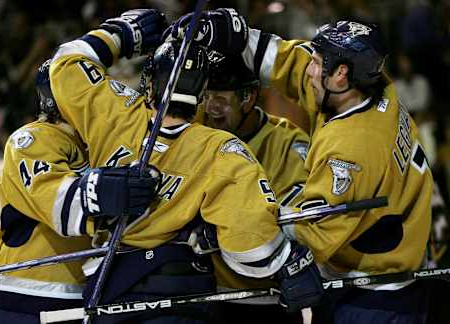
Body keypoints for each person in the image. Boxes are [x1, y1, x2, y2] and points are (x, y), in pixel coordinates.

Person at [48, 8, 323, 324]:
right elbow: (253, 244)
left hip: (111, 285)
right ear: (202, 92)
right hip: (183, 293)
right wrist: (287, 261)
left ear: (149, 85)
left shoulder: (114, 112)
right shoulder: (222, 149)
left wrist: (123, 34)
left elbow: (66, 63)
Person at [168, 10, 434, 323]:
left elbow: (314, 236)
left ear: (341, 74)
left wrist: (233, 224)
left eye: (318, 62)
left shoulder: (353, 148)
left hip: (373, 295)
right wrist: (232, 35)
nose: (309, 69)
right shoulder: (367, 87)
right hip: (379, 266)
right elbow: (290, 64)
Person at [0, 60, 160, 324]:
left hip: (81, 300)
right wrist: (107, 190)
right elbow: (60, 203)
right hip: (21, 297)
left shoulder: (96, 146)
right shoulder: (33, 138)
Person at [198, 54, 310, 322]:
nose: (211, 108)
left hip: (270, 295)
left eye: (222, 100)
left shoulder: (288, 142)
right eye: (208, 97)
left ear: (248, 98)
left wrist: (226, 223)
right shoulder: (199, 132)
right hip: (214, 295)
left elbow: (301, 217)